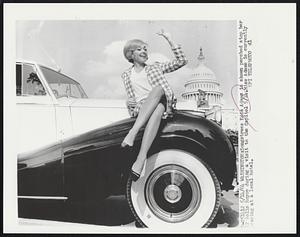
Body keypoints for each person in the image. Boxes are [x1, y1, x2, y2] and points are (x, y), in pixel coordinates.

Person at [121, 29, 187, 181]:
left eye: (145, 49)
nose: (144, 51)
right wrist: (128, 102)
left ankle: (132, 133)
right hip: (144, 108)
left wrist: (169, 39)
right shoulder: (126, 75)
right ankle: (141, 159)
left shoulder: (155, 67)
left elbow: (181, 61)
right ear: (131, 54)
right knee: (156, 108)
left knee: (158, 90)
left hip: (163, 101)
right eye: (139, 49)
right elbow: (132, 99)